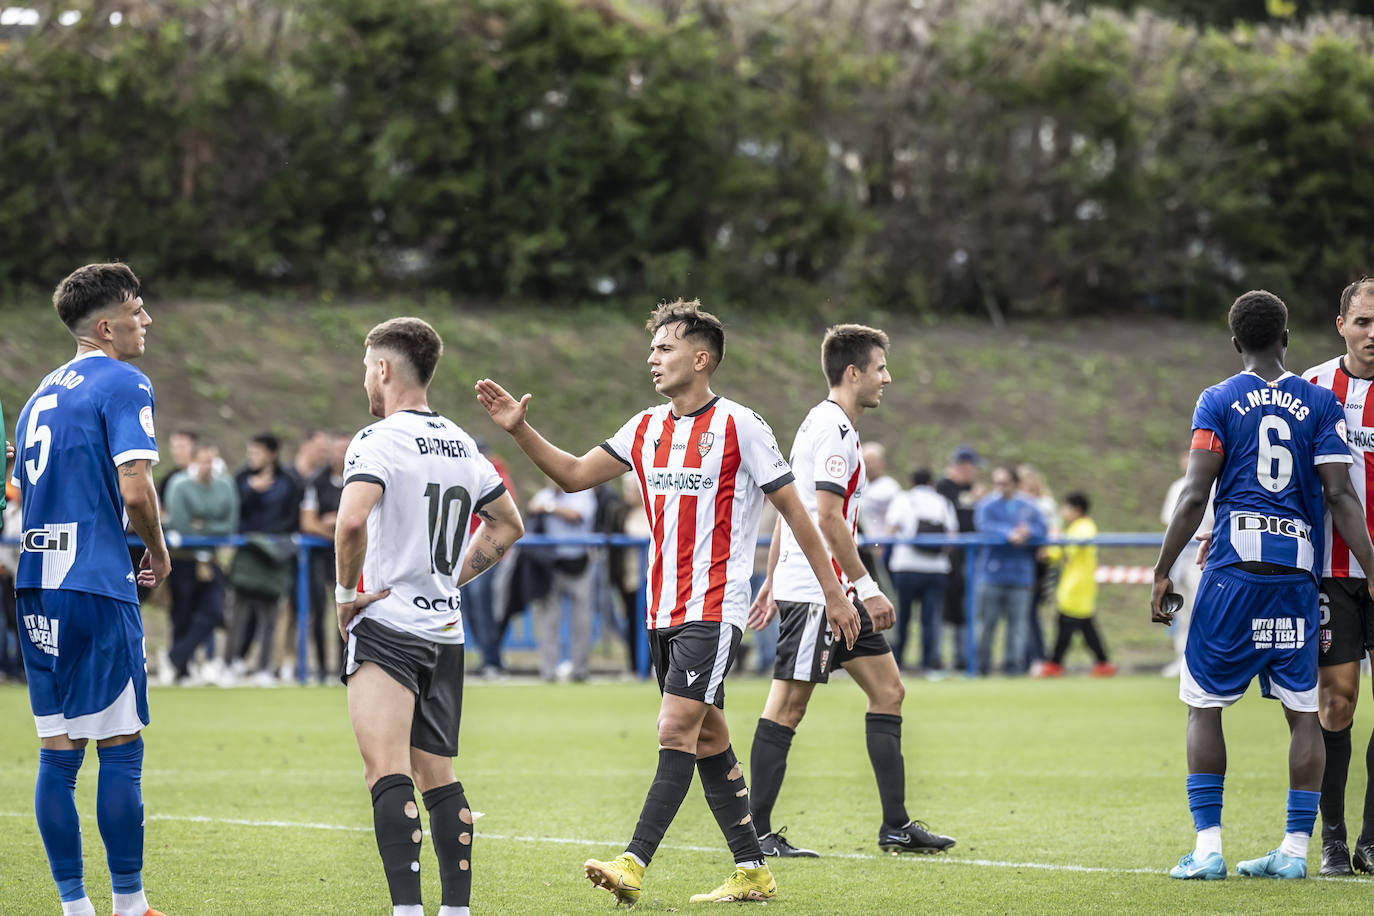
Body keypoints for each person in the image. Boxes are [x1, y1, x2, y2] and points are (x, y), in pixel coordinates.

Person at [475, 299, 860, 905]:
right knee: (707, 739)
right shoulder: (645, 427)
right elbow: (574, 475)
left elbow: (797, 513)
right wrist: (519, 430)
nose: (652, 358)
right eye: (652, 348)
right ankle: (752, 869)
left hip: (715, 607)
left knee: (675, 728)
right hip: (661, 611)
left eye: (665, 348)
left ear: (701, 358)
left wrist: (836, 595)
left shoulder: (741, 426)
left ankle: (633, 862)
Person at [1152, 289, 1374, 881]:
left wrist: (1160, 571)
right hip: (1297, 576)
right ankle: (1296, 853)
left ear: (1234, 343)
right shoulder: (1319, 402)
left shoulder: (1218, 398)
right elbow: (1340, 494)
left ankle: (1208, 850)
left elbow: (1196, 493)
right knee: (1305, 713)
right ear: (1287, 339)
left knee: (1204, 706)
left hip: (1232, 574)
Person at [335, 317, 523, 916]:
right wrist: (452, 580)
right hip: (446, 630)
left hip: (388, 627)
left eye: (368, 366)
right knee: (437, 776)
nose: (366, 378)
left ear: (385, 369)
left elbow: (350, 521)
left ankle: (407, 912)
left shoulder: (377, 440)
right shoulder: (464, 443)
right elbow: (508, 525)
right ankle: (457, 911)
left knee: (385, 772)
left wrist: (344, 594)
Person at [748, 324, 956, 859]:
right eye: (881, 368)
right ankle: (755, 833)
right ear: (853, 373)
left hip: (828, 590)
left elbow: (787, 510)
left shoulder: (822, 424)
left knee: (889, 691)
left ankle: (895, 826)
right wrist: (866, 588)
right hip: (823, 593)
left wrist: (770, 579)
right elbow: (826, 518)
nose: (888, 377)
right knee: (787, 708)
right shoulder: (835, 429)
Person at [12, 262, 171, 916]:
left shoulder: (39, 395)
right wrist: (158, 552)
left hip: (36, 583)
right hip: (95, 582)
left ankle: (75, 909)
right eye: (137, 311)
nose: (147, 321)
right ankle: (129, 907)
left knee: (57, 750)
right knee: (120, 748)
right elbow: (135, 488)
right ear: (106, 326)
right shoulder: (124, 380)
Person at [1301, 276, 1374, 875]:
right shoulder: (1311, 387)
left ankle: (1372, 840)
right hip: (1333, 572)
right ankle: (1333, 842)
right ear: (1342, 326)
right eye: (1364, 323)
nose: (1373, 335)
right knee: (1337, 702)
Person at [226, 433, 300, 684]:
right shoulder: (241, 478)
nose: (252, 457)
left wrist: (277, 542)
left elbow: (293, 517)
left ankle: (264, 668)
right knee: (239, 613)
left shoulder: (289, 481)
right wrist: (251, 491)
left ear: (272, 453)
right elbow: (234, 511)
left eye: (257, 452)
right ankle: (230, 664)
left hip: (276, 556)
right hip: (248, 552)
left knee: (270, 616)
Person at [163, 442, 239, 684]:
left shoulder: (225, 485)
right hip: (184, 559)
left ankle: (174, 657)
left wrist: (203, 527)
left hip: (211, 559)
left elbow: (229, 525)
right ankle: (181, 669)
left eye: (211, 460)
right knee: (182, 613)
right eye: (203, 461)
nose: (208, 466)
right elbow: (181, 524)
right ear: (194, 462)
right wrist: (209, 528)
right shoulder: (179, 485)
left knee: (215, 611)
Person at [973, 465, 1047, 675]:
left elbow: (1042, 530)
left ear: (1015, 483)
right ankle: (980, 667)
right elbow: (984, 527)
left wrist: (1028, 533)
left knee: (1018, 627)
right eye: (996, 483)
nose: (1000, 487)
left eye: (1004, 483)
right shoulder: (987, 505)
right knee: (986, 625)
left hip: (1021, 575)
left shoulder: (1030, 506)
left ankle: (1013, 668)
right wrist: (1008, 534)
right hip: (991, 574)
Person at [886, 468, 959, 672]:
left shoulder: (903, 499)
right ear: (931, 482)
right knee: (930, 619)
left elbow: (890, 529)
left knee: (901, 617)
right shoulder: (942, 502)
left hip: (905, 566)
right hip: (936, 569)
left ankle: (897, 662)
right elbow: (952, 535)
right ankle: (928, 664)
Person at [527, 478, 597, 682]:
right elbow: (531, 509)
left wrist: (548, 508)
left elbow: (576, 515)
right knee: (549, 620)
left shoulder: (582, 494)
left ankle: (580, 671)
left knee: (582, 622)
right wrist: (541, 506)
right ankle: (548, 672)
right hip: (552, 566)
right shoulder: (543, 495)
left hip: (579, 564)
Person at [1037, 492, 1113, 677]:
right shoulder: (1074, 527)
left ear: (1076, 509)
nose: (1063, 511)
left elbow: (1072, 545)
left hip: (1077, 586)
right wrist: (1050, 551)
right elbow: (1060, 552)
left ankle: (1054, 664)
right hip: (1074, 586)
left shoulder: (1085, 526)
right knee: (1086, 628)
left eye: (1066, 507)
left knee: (1066, 625)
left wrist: (1057, 540)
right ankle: (1103, 663)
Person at [936, 446, 983, 668]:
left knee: (968, 607)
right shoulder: (943, 488)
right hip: (949, 557)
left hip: (972, 557)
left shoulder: (976, 490)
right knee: (948, 607)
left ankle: (965, 657)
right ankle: (945, 656)